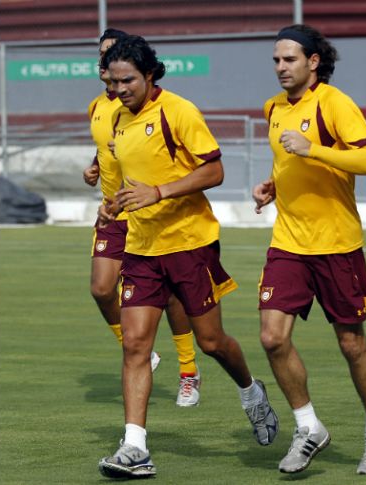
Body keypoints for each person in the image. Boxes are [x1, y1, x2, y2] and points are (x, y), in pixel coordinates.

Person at [96, 35, 278, 479]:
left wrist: (158, 192)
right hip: (141, 247)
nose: (119, 89)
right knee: (136, 345)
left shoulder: (178, 111)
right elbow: (130, 176)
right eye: (115, 81)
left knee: (211, 342)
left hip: (189, 244)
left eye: (128, 81)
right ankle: (135, 446)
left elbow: (214, 170)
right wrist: (116, 202)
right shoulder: (118, 117)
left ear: (150, 74)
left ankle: (252, 391)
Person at [252, 24, 366, 475]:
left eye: (289, 59)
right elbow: (288, 160)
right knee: (273, 338)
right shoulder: (273, 107)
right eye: (275, 60)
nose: (279, 68)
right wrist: (273, 186)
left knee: (352, 344)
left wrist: (315, 150)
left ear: (313, 62)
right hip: (289, 241)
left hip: (336, 245)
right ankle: (309, 427)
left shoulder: (334, 103)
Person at [81, 28, 202, 408]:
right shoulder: (99, 108)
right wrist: (94, 168)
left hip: (153, 212)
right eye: (103, 57)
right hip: (115, 211)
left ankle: (188, 370)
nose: (106, 64)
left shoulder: (154, 109)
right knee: (102, 289)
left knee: (170, 299)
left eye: (113, 56)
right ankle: (141, 351)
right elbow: (106, 150)